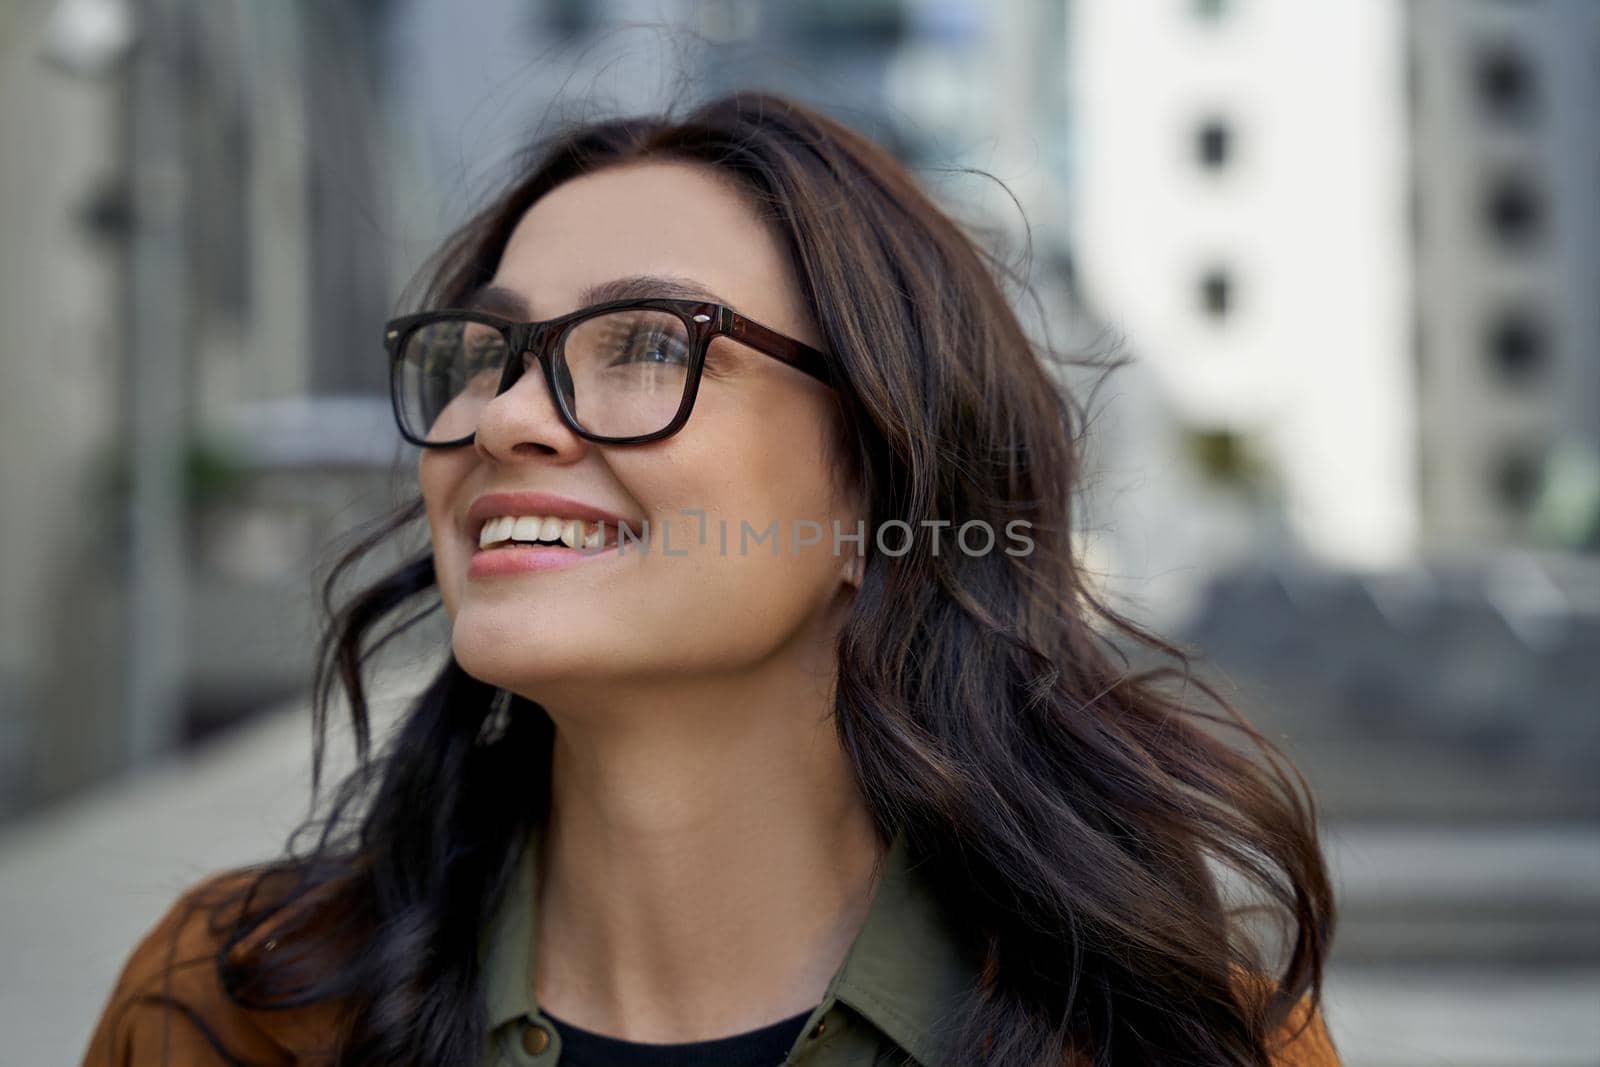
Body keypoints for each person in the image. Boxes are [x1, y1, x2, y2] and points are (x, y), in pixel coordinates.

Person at [82, 90, 1341, 1067]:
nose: (508, 416)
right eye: (487, 349)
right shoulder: (229, 1005)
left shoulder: (1174, 1035)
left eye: (643, 344)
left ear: (879, 492)